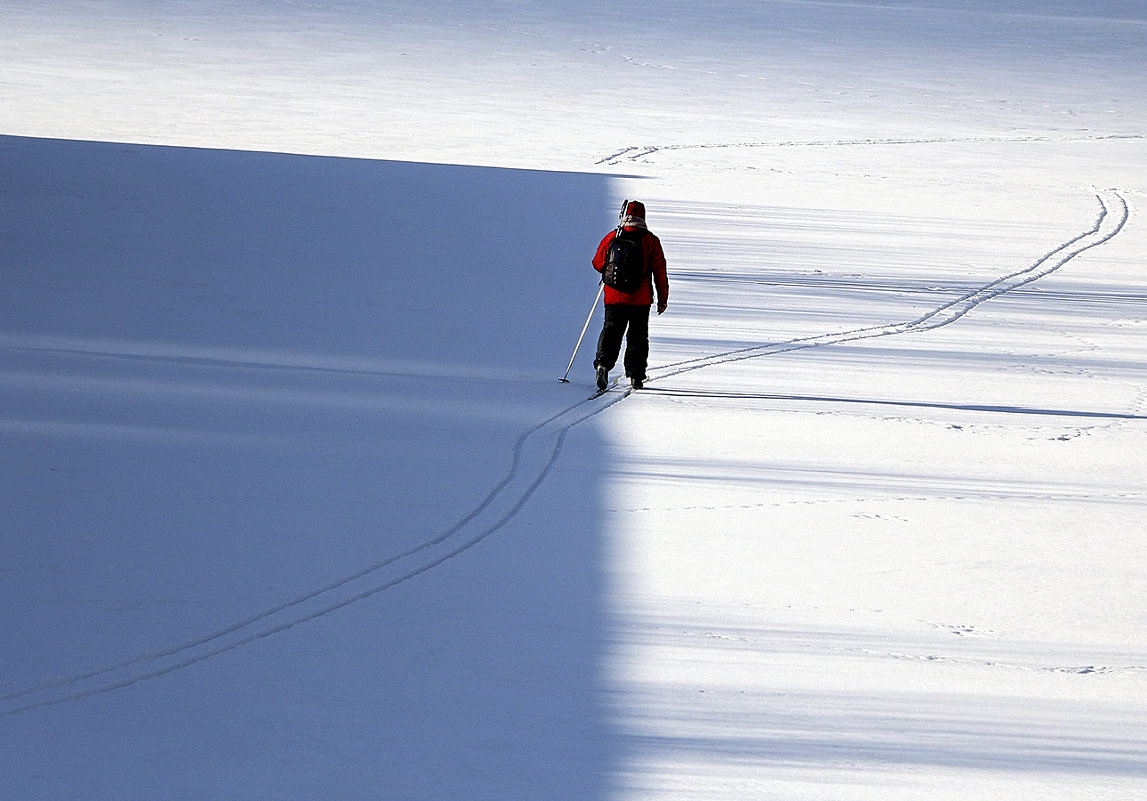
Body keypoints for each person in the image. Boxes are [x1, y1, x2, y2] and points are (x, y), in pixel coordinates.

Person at [591, 200, 669, 390]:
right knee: (638, 337)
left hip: (614, 296)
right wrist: (662, 298)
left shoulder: (612, 237)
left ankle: (603, 364)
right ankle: (636, 376)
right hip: (640, 298)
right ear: (643, 217)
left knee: (611, 330)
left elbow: (597, 262)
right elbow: (660, 271)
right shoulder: (651, 240)